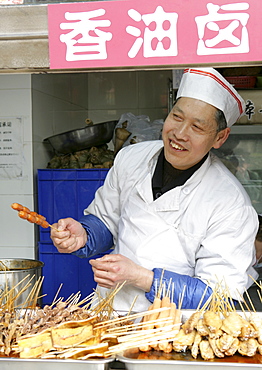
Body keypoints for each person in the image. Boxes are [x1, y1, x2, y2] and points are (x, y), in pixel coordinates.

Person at [50, 67, 259, 313]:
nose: (179, 134)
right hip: (111, 316)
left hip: (176, 332)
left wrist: (142, 277)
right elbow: (107, 220)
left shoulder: (230, 204)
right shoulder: (131, 158)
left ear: (220, 137)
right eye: (177, 118)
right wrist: (84, 235)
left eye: (197, 127)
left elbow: (219, 297)